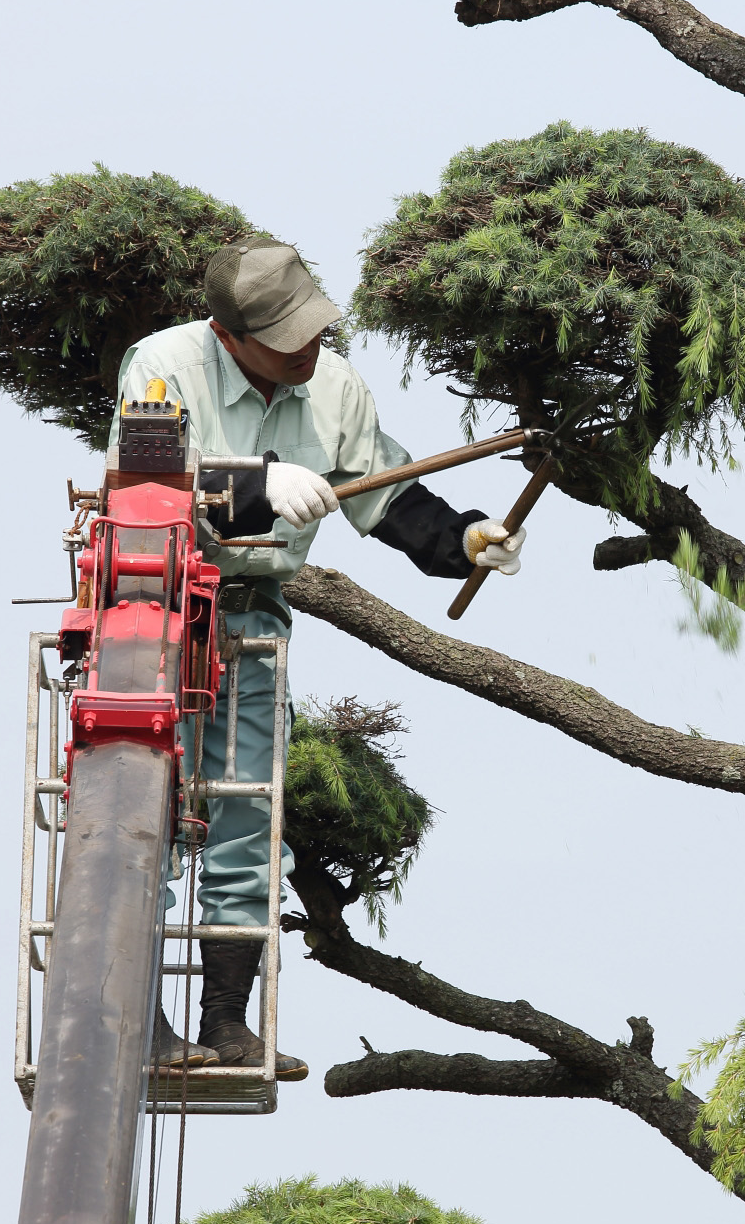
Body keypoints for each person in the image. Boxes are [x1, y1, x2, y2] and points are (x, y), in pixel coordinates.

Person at [112, 239, 527, 1080]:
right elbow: (144, 489)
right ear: (230, 337)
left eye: (312, 329)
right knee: (143, 818)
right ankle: (137, 1021)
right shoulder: (162, 367)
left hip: (254, 619)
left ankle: (226, 1022)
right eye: (285, 337)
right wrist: (250, 486)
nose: (306, 348)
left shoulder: (330, 385)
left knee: (248, 822)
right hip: (151, 614)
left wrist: (468, 538)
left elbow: (389, 490)